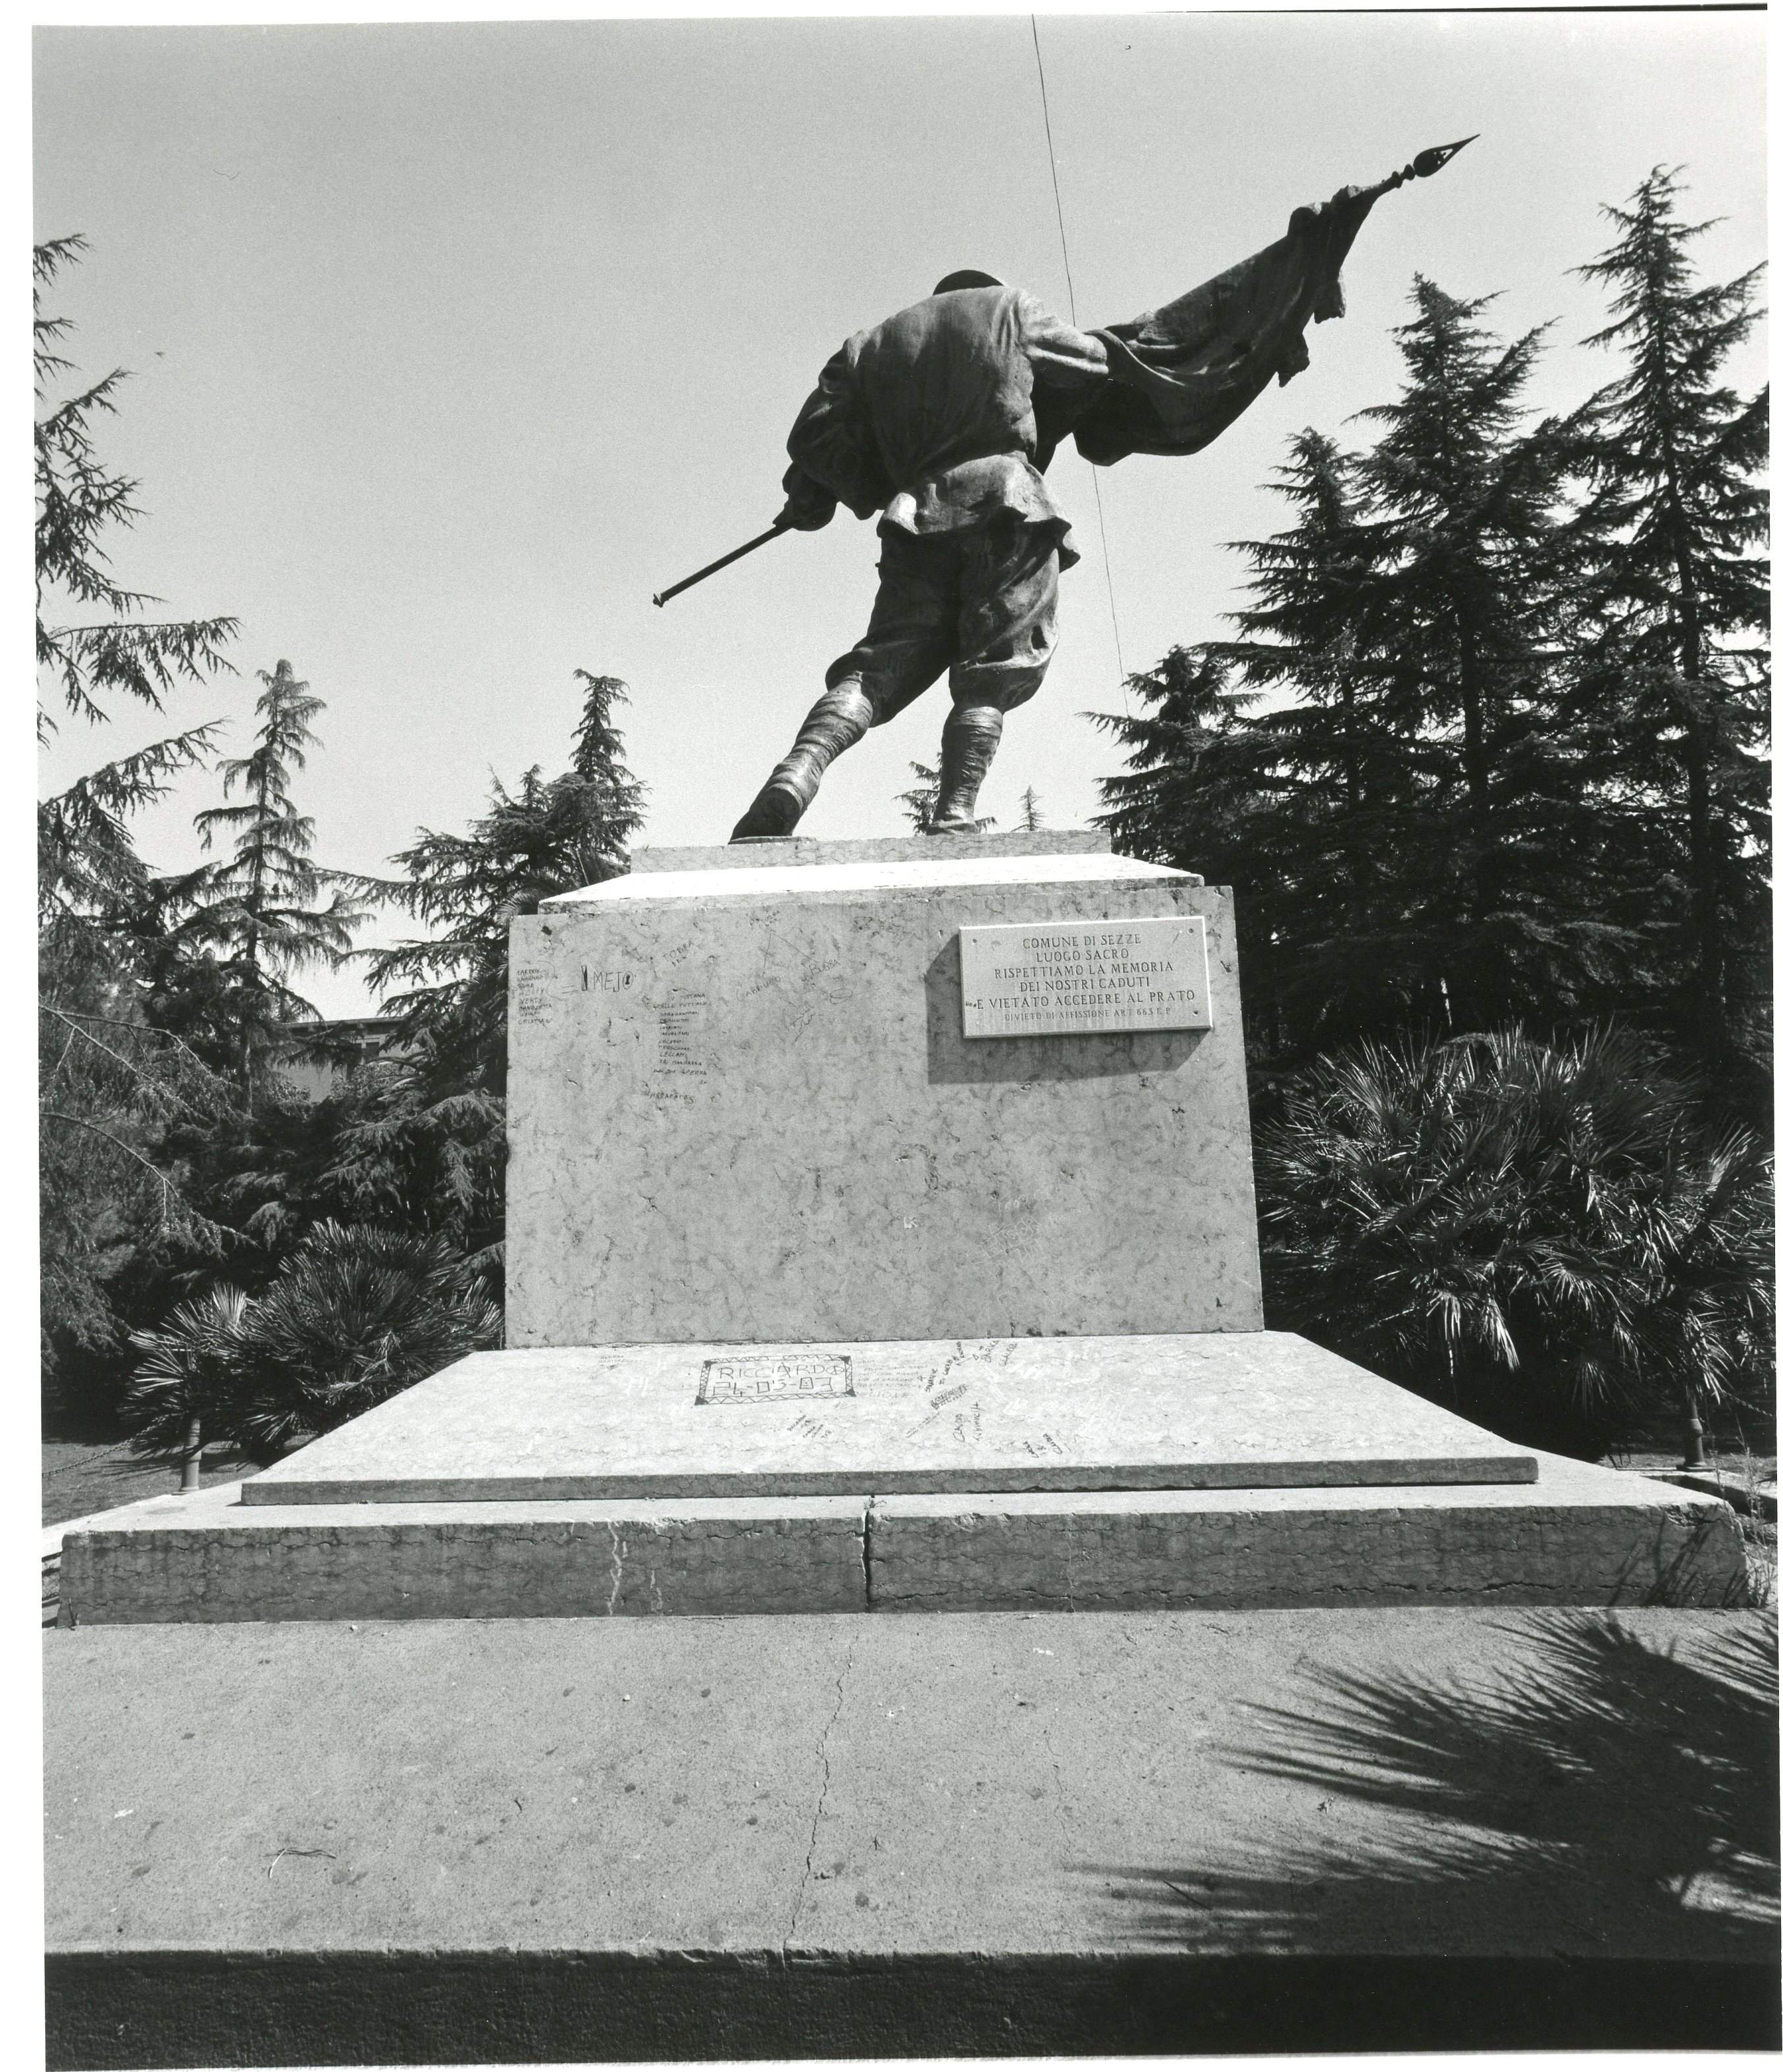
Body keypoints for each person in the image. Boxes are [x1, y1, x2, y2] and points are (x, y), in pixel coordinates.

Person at [729, 271, 1110, 841]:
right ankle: (954, 813)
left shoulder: (868, 346)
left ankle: (797, 771)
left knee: (876, 668)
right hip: (1007, 503)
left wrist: (842, 489)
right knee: (992, 673)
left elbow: (813, 438)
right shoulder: (1010, 309)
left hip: (915, 516)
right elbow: (1098, 365)